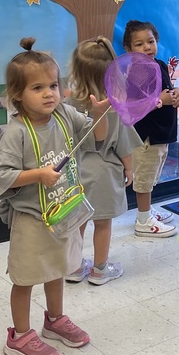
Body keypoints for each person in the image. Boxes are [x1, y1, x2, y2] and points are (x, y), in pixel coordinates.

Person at [0, 37, 108, 355]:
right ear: (17, 96)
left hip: (64, 212)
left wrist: (101, 116)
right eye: (38, 87)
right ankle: (19, 336)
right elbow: (1, 176)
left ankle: (54, 321)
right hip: (31, 219)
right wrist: (37, 175)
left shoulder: (65, 115)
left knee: (57, 269)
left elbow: (94, 139)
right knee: (26, 277)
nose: (49, 94)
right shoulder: (17, 133)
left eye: (53, 85)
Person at [64, 37, 142, 285]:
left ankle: (74, 267)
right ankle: (99, 269)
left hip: (76, 172)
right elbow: (124, 143)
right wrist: (130, 169)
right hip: (105, 172)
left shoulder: (68, 104)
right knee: (103, 223)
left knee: (78, 221)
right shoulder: (115, 105)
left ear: (76, 71)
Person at [123, 20, 179, 237]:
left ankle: (147, 210)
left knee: (152, 173)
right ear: (129, 50)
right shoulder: (137, 71)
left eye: (150, 41)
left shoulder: (160, 64)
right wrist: (161, 100)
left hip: (160, 134)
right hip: (146, 136)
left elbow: (167, 91)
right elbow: (134, 105)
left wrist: (175, 95)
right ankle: (143, 220)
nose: (147, 47)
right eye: (139, 44)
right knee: (144, 177)